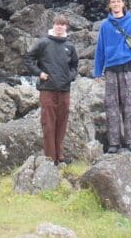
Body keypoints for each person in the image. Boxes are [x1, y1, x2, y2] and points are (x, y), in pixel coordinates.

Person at [93, 0, 131, 153]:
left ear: (123, 4)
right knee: (111, 106)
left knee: (129, 105)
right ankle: (114, 142)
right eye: (113, 2)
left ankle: (130, 139)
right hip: (111, 68)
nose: (116, 4)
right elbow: (100, 49)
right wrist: (97, 71)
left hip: (128, 67)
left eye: (118, 1)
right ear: (109, 5)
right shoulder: (105, 25)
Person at [23, 13, 79, 165]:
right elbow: (28, 58)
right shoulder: (43, 43)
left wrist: (71, 76)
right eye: (57, 24)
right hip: (47, 89)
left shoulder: (70, 46)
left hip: (64, 89)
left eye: (62, 24)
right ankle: (50, 157)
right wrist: (39, 73)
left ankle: (59, 155)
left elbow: (74, 65)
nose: (60, 27)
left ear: (66, 27)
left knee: (61, 123)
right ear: (53, 25)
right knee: (48, 124)